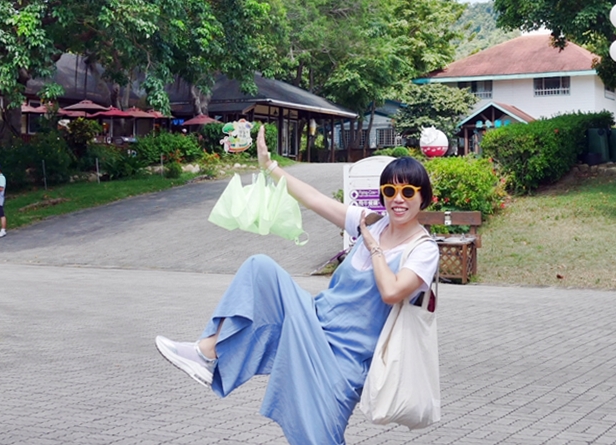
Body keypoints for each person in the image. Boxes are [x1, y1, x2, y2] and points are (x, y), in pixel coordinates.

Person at [155, 125, 439, 445]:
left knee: (318, 439)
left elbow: (391, 292)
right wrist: (270, 167)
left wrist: (374, 250)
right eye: (390, 191)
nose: (398, 200)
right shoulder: (371, 221)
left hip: (344, 362)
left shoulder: (423, 250)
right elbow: (315, 199)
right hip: (313, 323)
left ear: (423, 197)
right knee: (260, 268)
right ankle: (206, 354)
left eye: (408, 192)